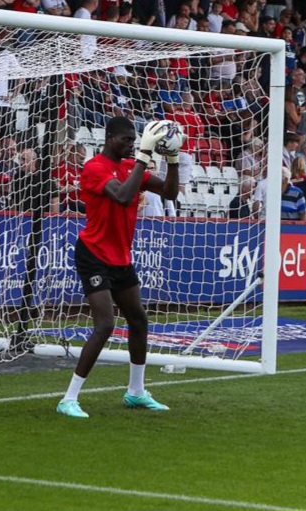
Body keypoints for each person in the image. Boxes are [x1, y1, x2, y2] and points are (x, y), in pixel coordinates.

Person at [56, 117, 182, 418]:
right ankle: (68, 398)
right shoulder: (94, 167)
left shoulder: (131, 167)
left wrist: (173, 160)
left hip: (120, 256)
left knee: (138, 320)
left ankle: (136, 392)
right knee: (106, 324)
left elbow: (169, 192)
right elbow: (123, 195)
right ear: (110, 138)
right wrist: (142, 158)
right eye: (126, 140)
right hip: (93, 253)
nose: (131, 145)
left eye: (134, 140)